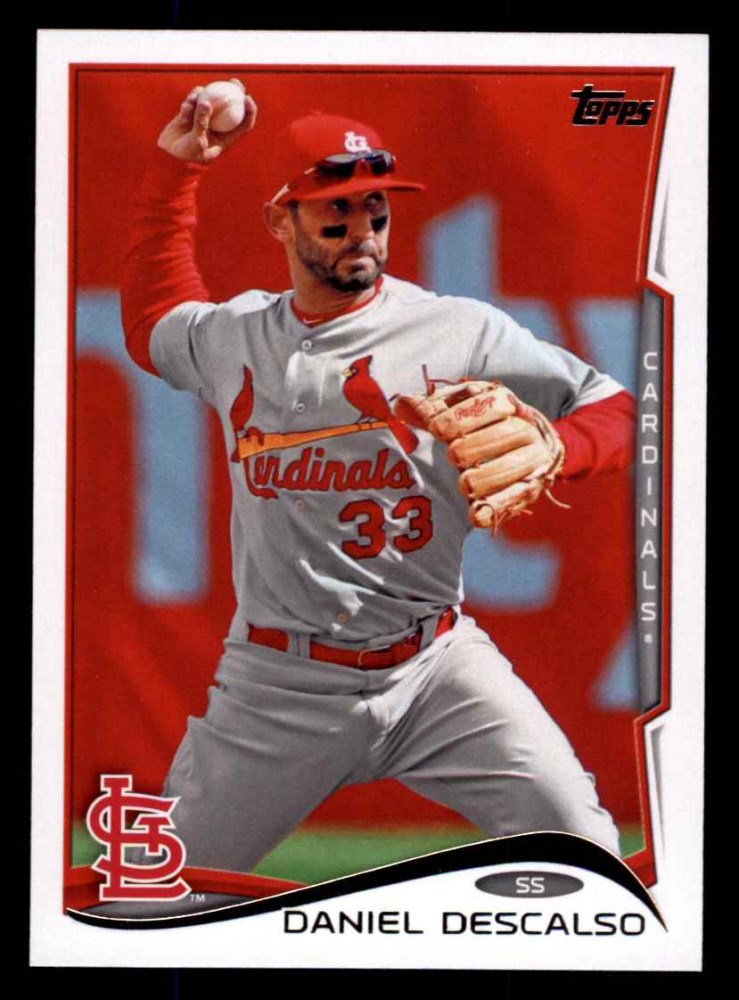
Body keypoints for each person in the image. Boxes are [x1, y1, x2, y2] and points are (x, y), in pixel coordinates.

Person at [121, 80, 635, 875]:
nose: (360, 229)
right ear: (280, 220)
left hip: (435, 669)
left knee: (584, 860)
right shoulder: (238, 335)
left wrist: (562, 447)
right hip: (277, 685)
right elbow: (154, 320)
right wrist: (174, 173)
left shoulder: (456, 328)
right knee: (153, 894)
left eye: (375, 209)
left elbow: (621, 408)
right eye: (336, 211)